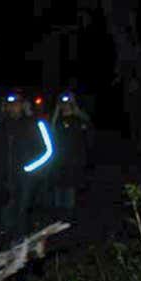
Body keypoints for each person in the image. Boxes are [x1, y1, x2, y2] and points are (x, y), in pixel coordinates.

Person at [0, 90, 54, 244]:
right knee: (5, 219)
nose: (13, 107)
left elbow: (49, 150)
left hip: (27, 181)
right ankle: (7, 252)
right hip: (6, 179)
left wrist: (30, 169)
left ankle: (22, 252)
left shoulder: (36, 123)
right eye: (10, 104)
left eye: (16, 103)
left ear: (23, 105)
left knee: (23, 216)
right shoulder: (2, 125)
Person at [50, 91, 92, 221]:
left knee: (69, 191)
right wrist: (56, 112)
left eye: (68, 103)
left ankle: (68, 219)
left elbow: (88, 131)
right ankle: (58, 218)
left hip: (73, 161)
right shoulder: (57, 121)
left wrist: (77, 110)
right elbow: (51, 132)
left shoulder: (78, 120)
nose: (65, 106)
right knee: (58, 190)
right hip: (58, 161)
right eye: (63, 103)